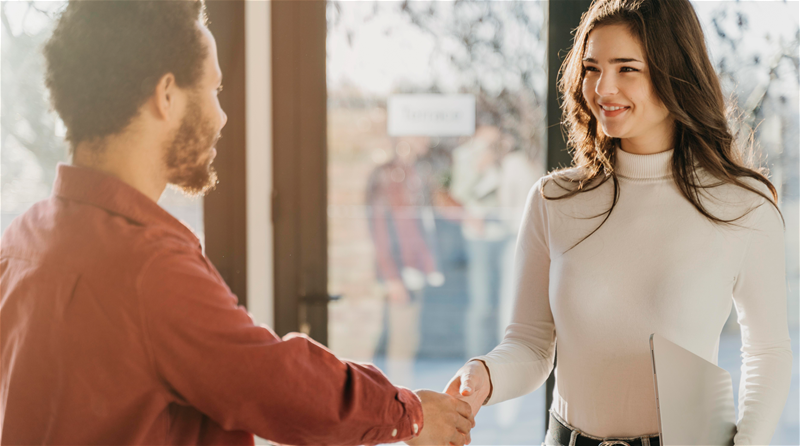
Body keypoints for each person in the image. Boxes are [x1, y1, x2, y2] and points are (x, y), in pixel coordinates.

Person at [0, 2, 474, 445]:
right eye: (214, 89)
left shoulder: (22, 238)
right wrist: (406, 414)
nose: (223, 116)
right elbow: (277, 382)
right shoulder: (149, 267)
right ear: (166, 95)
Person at [445, 1, 793, 446]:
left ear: (676, 73)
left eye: (626, 68)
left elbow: (768, 353)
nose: (603, 87)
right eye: (592, 68)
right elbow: (531, 346)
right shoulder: (554, 200)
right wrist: (484, 373)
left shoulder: (742, 205)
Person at [366, 136, 444, 387]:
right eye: (419, 134)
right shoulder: (387, 175)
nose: (425, 138)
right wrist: (391, 276)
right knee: (400, 342)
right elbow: (379, 229)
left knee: (408, 339)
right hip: (398, 271)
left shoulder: (415, 172)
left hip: (415, 269)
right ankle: (398, 404)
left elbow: (422, 222)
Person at [450, 124, 509, 359]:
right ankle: (476, 359)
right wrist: (478, 167)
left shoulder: (505, 152)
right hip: (480, 236)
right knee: (482, 303)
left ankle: (503, 358)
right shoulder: (464, 155)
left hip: (508, 232)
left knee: (507, 302)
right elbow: (458, 193)